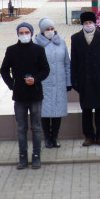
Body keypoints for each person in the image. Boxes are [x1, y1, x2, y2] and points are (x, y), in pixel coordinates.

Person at [0, 22, 50, 169]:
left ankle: (36, 156)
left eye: (26, 32)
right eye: (21, 32)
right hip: (20, 95)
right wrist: (11, 84)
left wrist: (35, 79)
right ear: (17, 34)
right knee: (21, 127)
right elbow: (4, 70)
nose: (24, 35)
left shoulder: (38, 50)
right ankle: (22, 157)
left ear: (31, 33)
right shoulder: (11, 50)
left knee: (36, 127)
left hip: (35, 94)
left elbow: (46, 69)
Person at [71, 11, 100, 147]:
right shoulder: (76, 38)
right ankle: (89, 136)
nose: (88, 25)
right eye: (85, 23)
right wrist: (74, 80)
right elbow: (74, 60)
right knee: (86, 110)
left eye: (90, 22)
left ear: (94, 23)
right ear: (82, 24)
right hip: (84, 79)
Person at [34, 17, 71, 149]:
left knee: (57, 111)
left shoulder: (60, 42)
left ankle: (55, 137)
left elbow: (67, 62)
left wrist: (68, 81)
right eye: (47, 29)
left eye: (51, 29)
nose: (50, 31)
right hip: (44, 83)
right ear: (42, 31)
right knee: (45, 112)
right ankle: (47, 138)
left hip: (59, 82)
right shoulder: (36, 43)